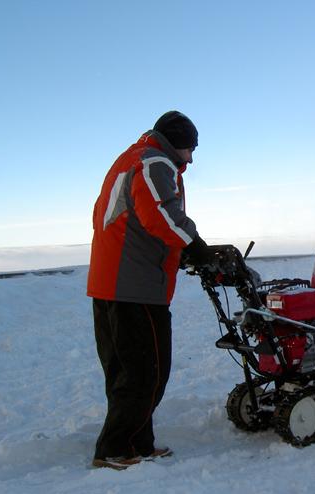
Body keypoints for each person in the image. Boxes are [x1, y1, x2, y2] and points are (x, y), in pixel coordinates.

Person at [87, 111, 214, 470]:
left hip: (111, 284)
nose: (191, 158)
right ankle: (114, 449)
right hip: (135, 288)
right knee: (148, 372)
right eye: (190, 148)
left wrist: (177, 252)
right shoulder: (154, 162)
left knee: (126, 371)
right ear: (178, 142)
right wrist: (195, 246)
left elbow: (126, 218)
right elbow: (162, 216)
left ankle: (136, 444)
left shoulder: (129, 159)